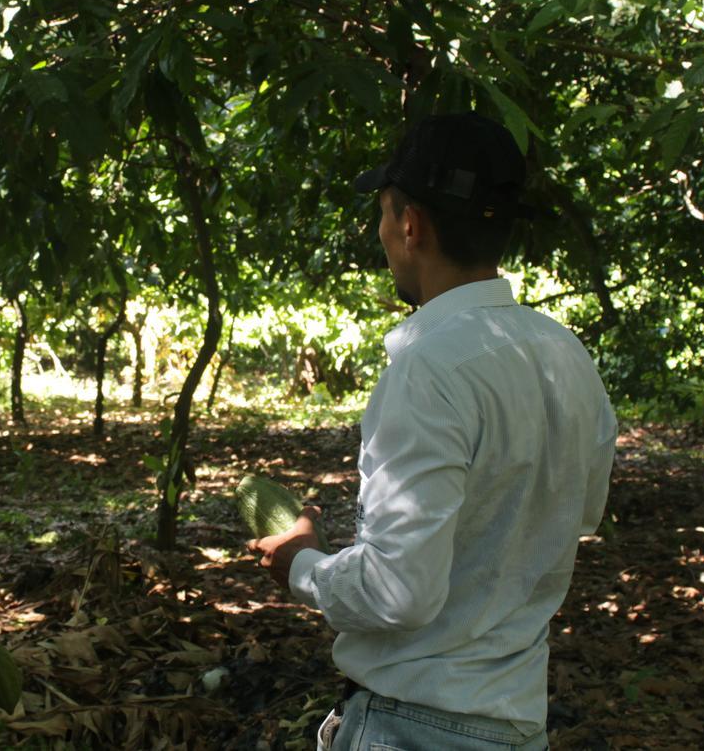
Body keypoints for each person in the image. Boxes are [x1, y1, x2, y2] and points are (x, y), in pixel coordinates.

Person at [248, 112, 617, 750]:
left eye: (385, 214)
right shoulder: (565, 354)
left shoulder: (427, 370)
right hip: (516, 725)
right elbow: (580, 513)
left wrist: (299, 564)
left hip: (417, 726)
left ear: (409, 223)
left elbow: (400, 593)